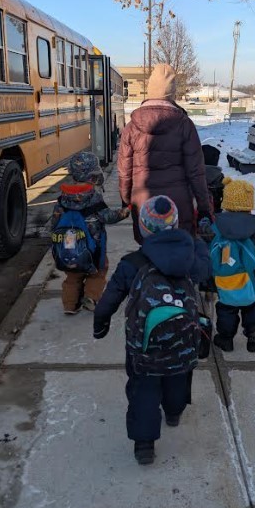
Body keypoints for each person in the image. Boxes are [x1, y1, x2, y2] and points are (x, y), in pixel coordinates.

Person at [93, 195, 211, 465]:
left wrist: (101, 323)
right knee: (178, 375)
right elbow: (206, 271)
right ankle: (174, 412)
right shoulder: (190, 257)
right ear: (176, 224)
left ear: (144, 228)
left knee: (143, 388)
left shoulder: (132, 263)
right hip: (182, 341)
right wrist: (199, 244)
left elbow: (110, 298)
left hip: (142, 346)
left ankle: (144, 445)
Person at [117, 63, 212, 243]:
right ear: (171, 93)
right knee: (179, 249)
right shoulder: (185, 125)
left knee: (148, 251)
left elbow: (124, 170)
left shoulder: (131, 127)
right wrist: (204, 208)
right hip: (177, 205)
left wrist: (126, 200)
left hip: (143, 203)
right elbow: (196, 171)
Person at [202, 178, 255, 353]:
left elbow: (205, 249)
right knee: (253, 304)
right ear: (249, 204)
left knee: (226, 308)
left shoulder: (216, 224)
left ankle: (226, 339)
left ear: (226, 202)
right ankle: (253, 331)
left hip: (224, 277)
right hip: (252, 277)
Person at [50, 151, 130, 315]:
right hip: (93, 247)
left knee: (72, 276)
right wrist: (124, 212)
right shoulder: (93, 197)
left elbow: (54, 223)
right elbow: (108, 217)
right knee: (98, 272)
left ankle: (69, 305)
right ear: (93, 175)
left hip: (69, 247)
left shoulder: (63, 198)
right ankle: (91, 298)